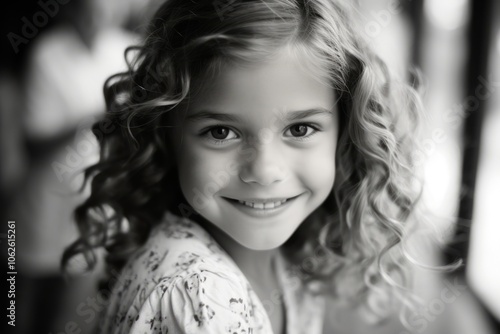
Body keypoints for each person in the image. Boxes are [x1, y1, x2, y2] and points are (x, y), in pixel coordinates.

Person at [61, 0, 444, 333]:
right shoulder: (197, 296)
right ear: (167, 135)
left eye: (300, 128)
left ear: (344, 136)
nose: (263, 170)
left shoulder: (290, 259)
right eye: (221, 132)